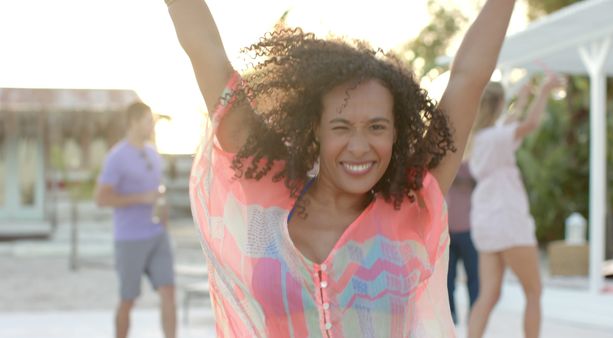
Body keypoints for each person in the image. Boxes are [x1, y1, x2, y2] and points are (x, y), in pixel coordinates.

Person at [165, 0, 515, 336]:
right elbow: (209, 56)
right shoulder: (266, 189)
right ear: (315, 128)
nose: (360, 146)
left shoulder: (412, 203)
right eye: (341, 127)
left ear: (397, 131)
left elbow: (467, 78)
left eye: (377, 127)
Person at [466, 75, 563, 338]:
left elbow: (510, 123)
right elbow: (530, 124)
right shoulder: (497, 137)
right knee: (534, 290)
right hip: (507, 218)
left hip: (486, 220)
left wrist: (521, 101)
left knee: (489, 294)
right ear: (498, 104)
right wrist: (544, 91)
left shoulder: (479, 138)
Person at [95, 102, 176, 338]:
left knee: (168, 291)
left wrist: (162, 210)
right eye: (148, 120)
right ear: (133, 122)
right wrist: (141, 197)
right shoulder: (116, 157)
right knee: (128, 299)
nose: (152, 125)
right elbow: (101, 198)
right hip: (130, 239)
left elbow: (157, 191)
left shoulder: (152, 152)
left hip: (158, 234)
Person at [445, 159, 479, 325]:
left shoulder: (475, 163)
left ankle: (475, 315)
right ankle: (451, 315)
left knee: (474, 277)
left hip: (470, 230)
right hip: (448, 231)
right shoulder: (446, 161)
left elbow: (479, 182)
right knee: (448, 277)